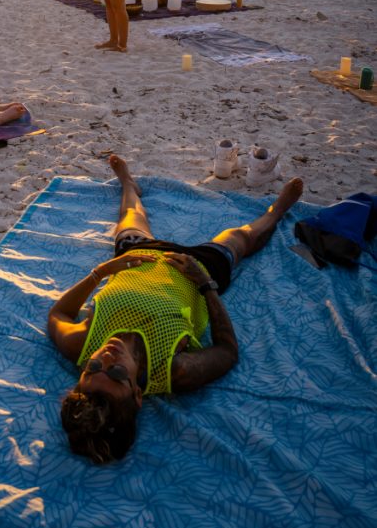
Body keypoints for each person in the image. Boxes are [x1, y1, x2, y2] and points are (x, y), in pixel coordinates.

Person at [48, 155, 304, 464]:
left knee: (130, 214)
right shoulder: (174, 369)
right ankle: (277, 210)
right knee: (240, 238)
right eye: (115, 373)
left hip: (137, 255)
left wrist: (102, 271)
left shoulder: (83, 343)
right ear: (138, 394)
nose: (106, 356)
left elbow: (58, 316)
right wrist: (205, 284)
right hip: (195, 271)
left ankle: (128, 183)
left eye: (92, 369)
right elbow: (227, 350)